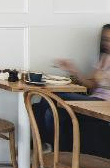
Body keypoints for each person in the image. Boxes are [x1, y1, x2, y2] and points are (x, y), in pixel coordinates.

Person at [32, 25, 110, 159]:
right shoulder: (104, 58)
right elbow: (90, 84)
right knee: (47, 104)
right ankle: (52, 151)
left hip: (104, 105)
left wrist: (106, 81)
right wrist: (73, 70)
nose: (107, 43)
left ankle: (46, 148)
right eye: (105, 40)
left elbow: (101, 82)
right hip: (93, 100)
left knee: (54, 98)